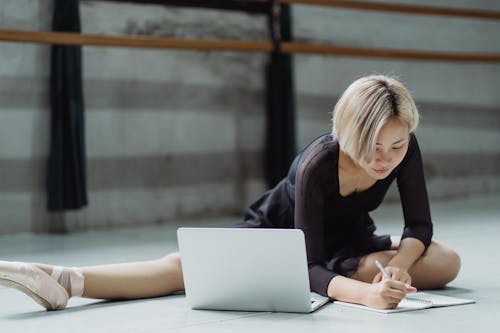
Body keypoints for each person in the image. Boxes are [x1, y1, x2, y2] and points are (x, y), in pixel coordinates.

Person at [0, 75, 460, 311]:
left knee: (444, 259)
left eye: (396, 146)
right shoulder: (318, 164)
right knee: (184, 268)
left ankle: (374, 275)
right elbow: (308, 266)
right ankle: (63, 280)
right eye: (373, 148)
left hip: (349, 243)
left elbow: (418, 226)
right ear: (347, 132)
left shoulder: (404, 145)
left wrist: (396, 271)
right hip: (281, 238)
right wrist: (367, 298)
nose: (386, 159)